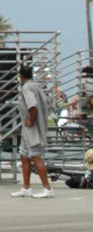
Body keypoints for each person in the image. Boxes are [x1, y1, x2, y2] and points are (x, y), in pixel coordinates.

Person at [10, 64, 54, 199]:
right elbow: (47, 103)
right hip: (28, 129)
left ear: (21, 76)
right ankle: (26, 187)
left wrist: (31, 120)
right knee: (24, 156)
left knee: (35, 157)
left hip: (32, 128)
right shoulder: (36, 86)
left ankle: (47, 188)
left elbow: (32, 106)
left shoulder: (27, 88)